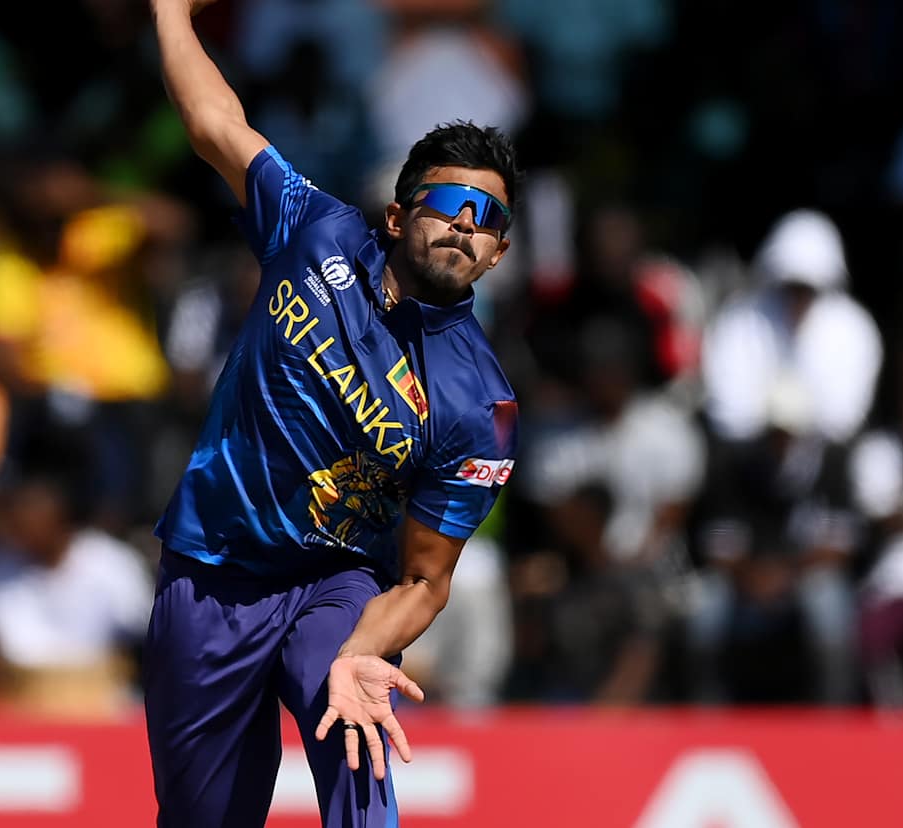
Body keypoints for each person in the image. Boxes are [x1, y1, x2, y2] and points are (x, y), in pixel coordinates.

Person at [144, 0, 520, 824]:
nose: (464, 223)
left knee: (356, 721)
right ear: (396, 216)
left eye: (487, 216)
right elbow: (216, 124)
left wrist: (362, 650)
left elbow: (425, 580)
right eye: (446, 200)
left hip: (336, 580)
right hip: (211, 574)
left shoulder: (481, 404)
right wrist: (172, 15)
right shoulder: (317, 231)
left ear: (498, 253)